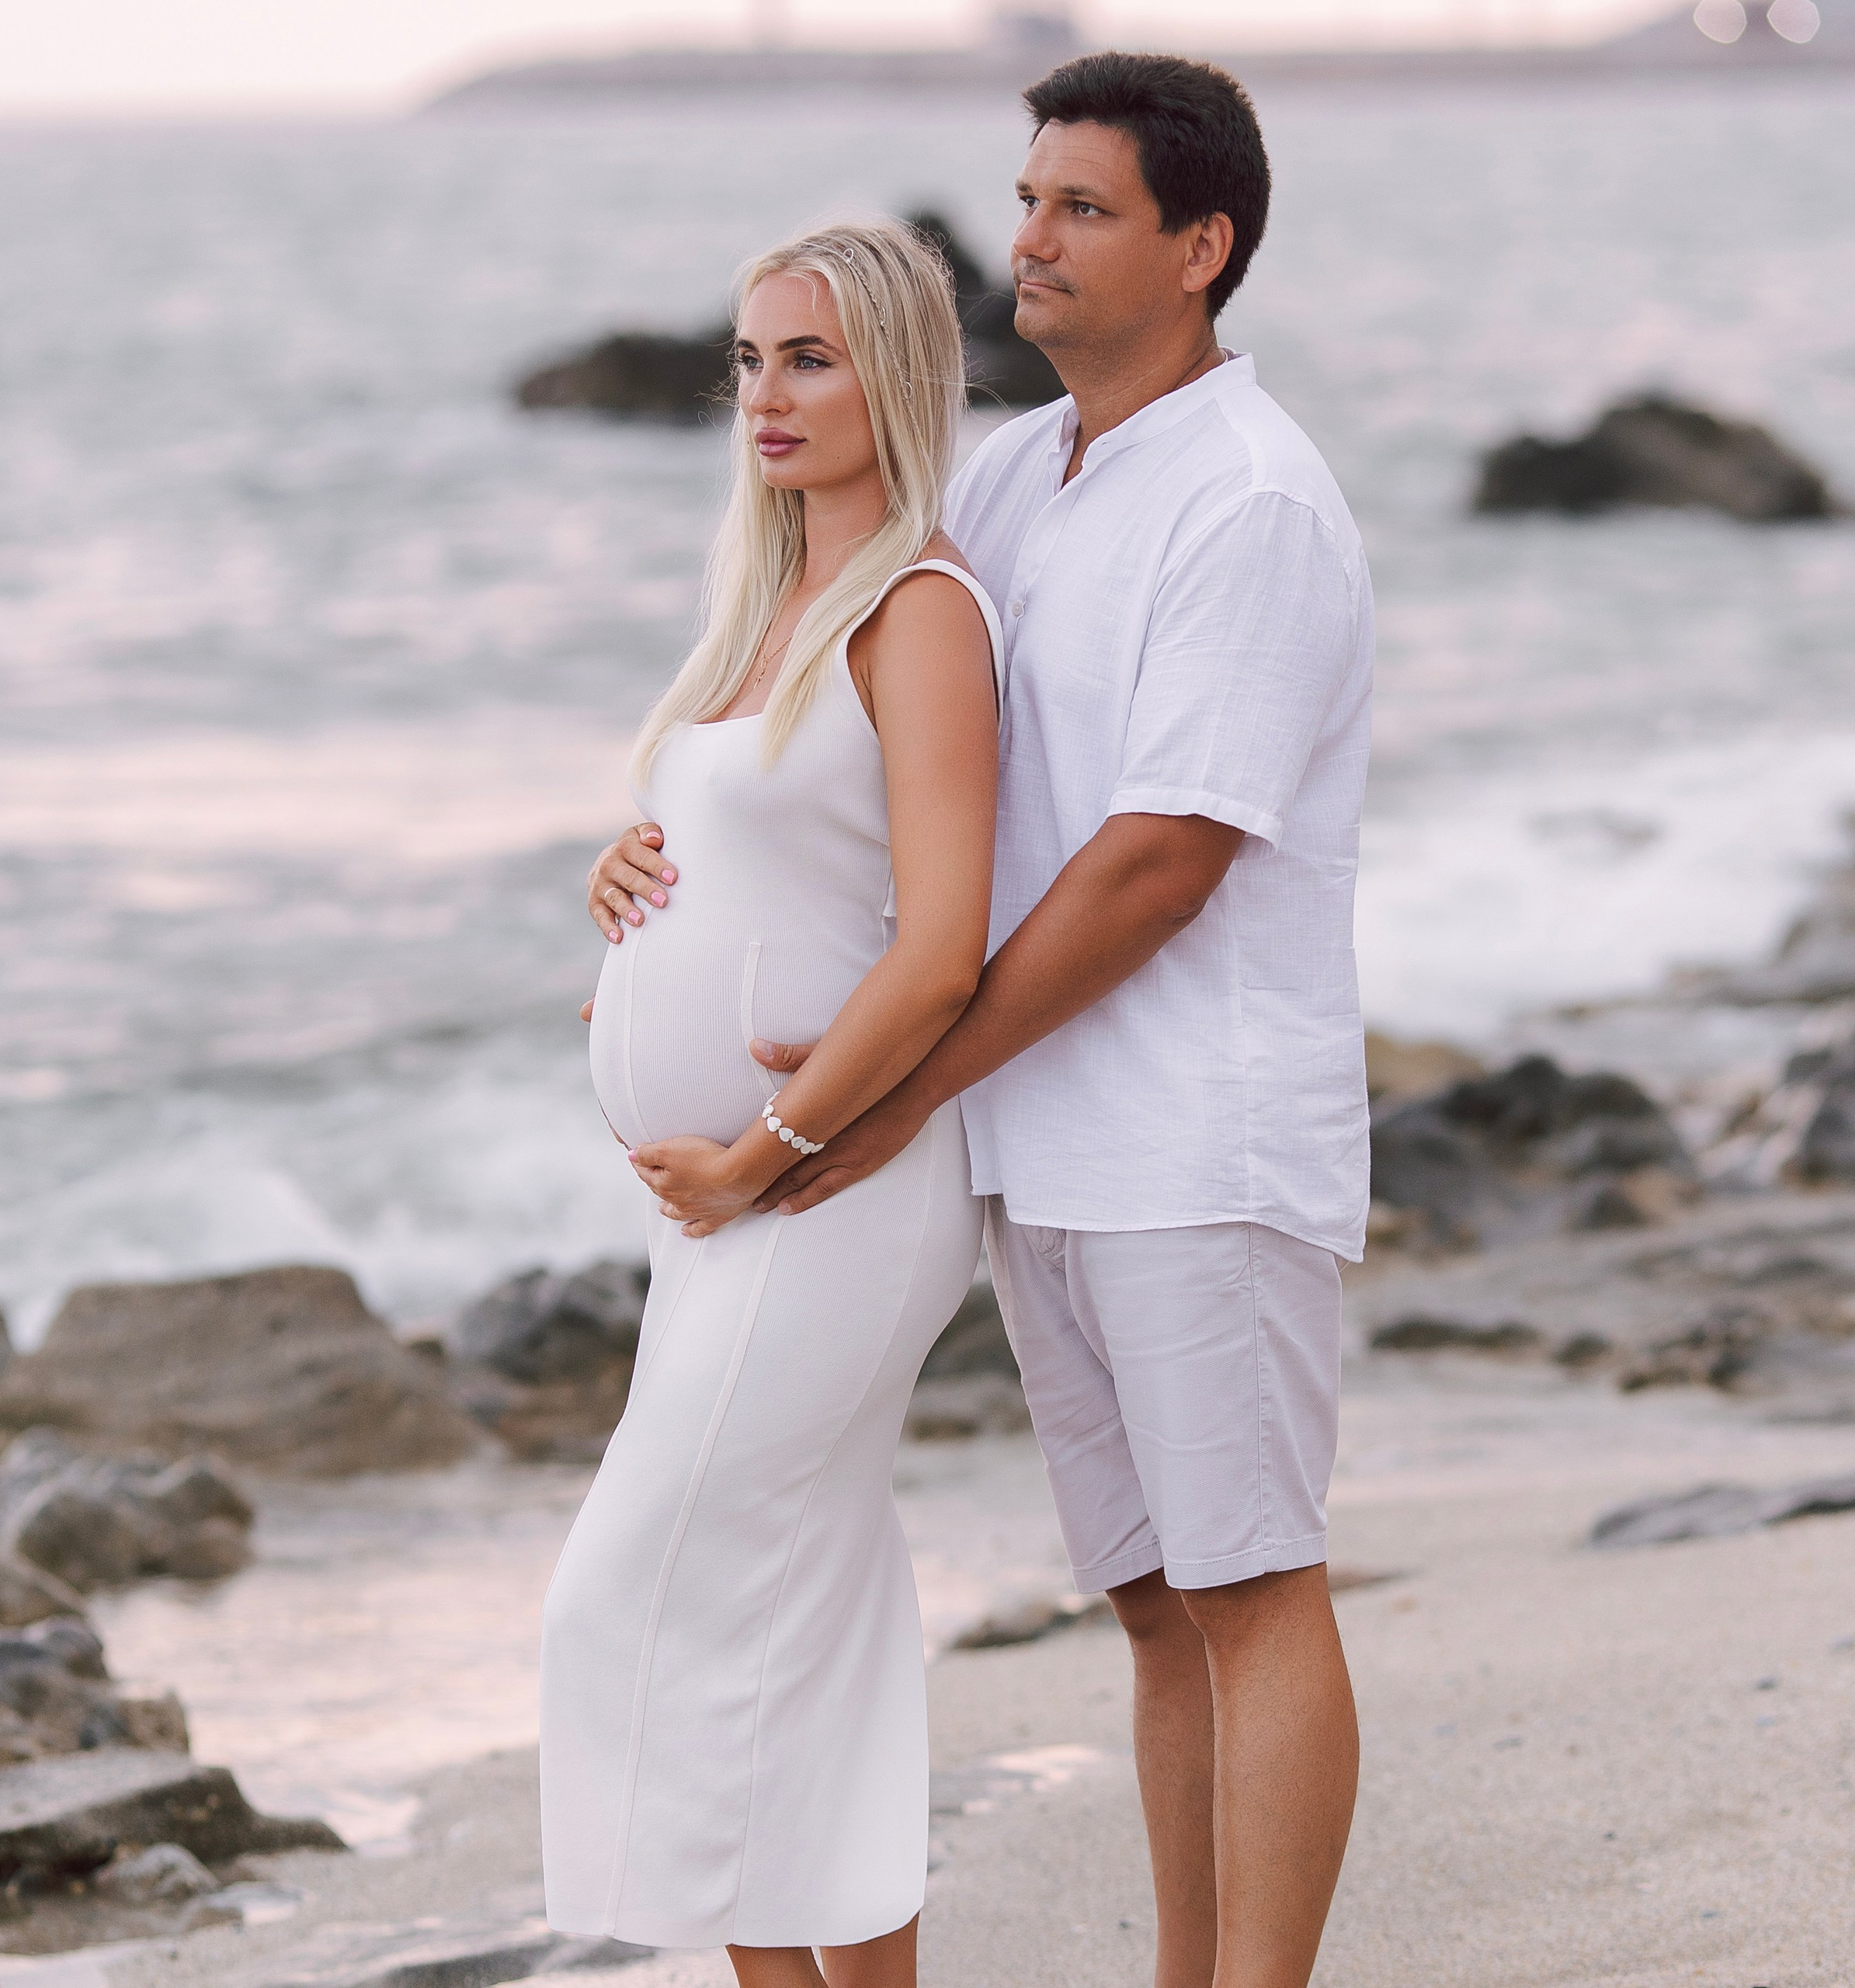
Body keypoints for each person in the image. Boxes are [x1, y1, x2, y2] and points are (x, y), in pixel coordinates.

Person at [586, 52, 1374, 1988]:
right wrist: (665, 834)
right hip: (1032, 1148)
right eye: (1025, 199)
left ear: (1201, 248)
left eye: (1081, 208)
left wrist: (863, 1093)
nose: (1025, 238)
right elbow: (863, 733)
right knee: (1147, 1603)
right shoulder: (1017, 477)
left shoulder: (1255, 502)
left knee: (1251, 1585)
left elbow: (1152, 862)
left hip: (1201, 1135)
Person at [542, 219, 1002, 1988]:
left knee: (646, 1597)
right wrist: (626, 873)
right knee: (782, 1621)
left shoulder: (920, 608)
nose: (766, 395)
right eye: (747, 360)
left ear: (891, 372)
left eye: (806, 358)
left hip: (828, 1193)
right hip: (723, 1212)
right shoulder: (762, 608)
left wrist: (764, 1151)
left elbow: (941, 944)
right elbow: (772, 854)